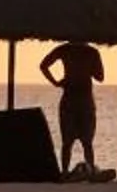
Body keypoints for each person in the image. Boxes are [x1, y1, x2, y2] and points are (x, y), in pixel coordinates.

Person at [39, 40, 105, 176]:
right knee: (82, 141)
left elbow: (44, 66)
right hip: (80, 99)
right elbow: (100, 76)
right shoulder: (90, 52)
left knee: (72, 141)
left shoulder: (67, 50)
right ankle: (84, 170)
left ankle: (69, 171)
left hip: (74, 98)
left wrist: (56, 82)